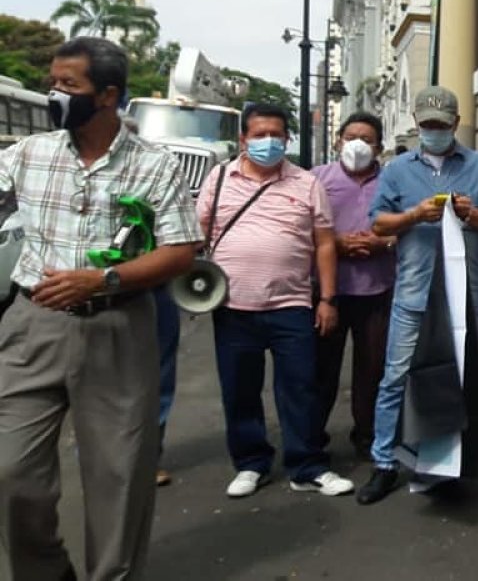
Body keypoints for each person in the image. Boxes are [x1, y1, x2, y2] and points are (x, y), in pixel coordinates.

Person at [0, 37, 201, 580]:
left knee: (119, 477)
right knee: (10, 471)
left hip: (117, 327)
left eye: (69, 85)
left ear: (108, 95)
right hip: (31, 326)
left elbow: (181, 251)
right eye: (52, 83)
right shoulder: (28, 154)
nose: (54, 94)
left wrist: (102, 279)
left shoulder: (155, 166)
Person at [197, 103, 354, 499]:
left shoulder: (306, 183)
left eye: (276, 135)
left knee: (301, 388)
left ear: (287, 139)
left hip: (292, 305)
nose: (268, 142)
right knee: (240, 390)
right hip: (232, 306)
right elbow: (197, 233)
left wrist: (328, 299)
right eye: (259, 135)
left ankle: (308, 465)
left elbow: (324, 244)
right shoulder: (219, 178)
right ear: (243, 139)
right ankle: (251, 463)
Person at [357, 86, 478, 504]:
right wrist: (413, 215)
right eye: (428, 125)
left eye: (441, 124)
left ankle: (446, 462)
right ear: (417, 124)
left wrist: (470, 214)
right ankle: (385, 462)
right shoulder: (398, 170)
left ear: (456, 124)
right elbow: (378, 224)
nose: (434, 131)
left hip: (465, 299)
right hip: (414, 294)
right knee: (396, 377)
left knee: (458, 379)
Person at [311, 112, 396, 460]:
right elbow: (301, 227)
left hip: (377, 289)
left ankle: (367, 435)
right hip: (329, 291)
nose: (358, 144)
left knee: (372, 369)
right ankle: (312, 438)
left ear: (379, 147)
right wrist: (336, 244)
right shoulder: (317, 179)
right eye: (350, 137)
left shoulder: (392, 181)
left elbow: (406, 225)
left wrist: (383, 242)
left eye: (367, 139)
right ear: (338, 141)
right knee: (321, 369)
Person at [122, 114, 184, 488]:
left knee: (157, 379)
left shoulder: (159, 177)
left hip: (153, 293)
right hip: (96, 297)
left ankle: (148, 457)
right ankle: (100, 456)